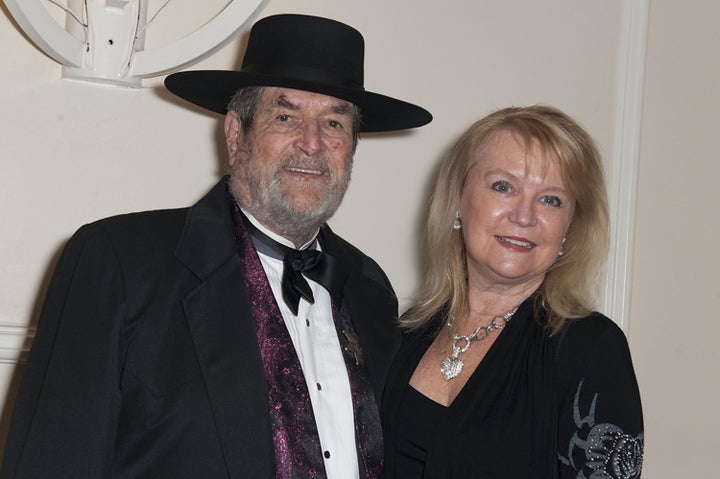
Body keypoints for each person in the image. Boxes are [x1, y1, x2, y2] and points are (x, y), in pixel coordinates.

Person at [1, 14, 431, 479]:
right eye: (285, 116)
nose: (311, 143)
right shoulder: (117, 264)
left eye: (334, 123)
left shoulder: (370, 289)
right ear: (235, 133)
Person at [381, 105, 643, 478]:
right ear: (458, 199)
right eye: (503, 187)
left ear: (571, 226)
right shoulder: (404, 334)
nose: (524, 215)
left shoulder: (591, 349)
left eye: (551, 199)